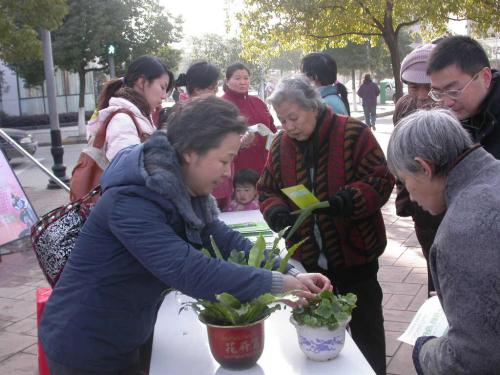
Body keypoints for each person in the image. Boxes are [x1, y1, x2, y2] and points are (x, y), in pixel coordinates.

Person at [39, 96, 331, 375]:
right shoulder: (130, 201)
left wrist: (288, 270)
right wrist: (279, 285)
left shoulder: (179, 186)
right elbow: (189, 270)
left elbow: (222, 238)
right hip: (85, 346)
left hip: (125, 332)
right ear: (190, 152)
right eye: (224, 160)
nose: (230, 172)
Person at [258, 75, 395, 375]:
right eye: (282, 119)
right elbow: (267, 189)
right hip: (309, 264)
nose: (288, 126)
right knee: (317, 333)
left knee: (366, 329)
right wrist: (276, 211)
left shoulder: (353, 132)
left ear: (314, 108)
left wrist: (349, 200)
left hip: (355, 256)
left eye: (293, 117)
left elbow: (381, 179)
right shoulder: (281, 143)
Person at [386, 108, 500, 374]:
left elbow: (472, 359)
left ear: (424, 167)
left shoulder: (462, 231)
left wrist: (424, 350)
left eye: (404, 181)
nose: (410, 196)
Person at [393, 43, 441, 296]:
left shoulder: (453, 107)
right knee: (432, 262)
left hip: (450, 202)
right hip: (420, 206)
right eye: (414, 87)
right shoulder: (403, 106)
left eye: (428, 87)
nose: (422, 95)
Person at [87, 55, 174, 161]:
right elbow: (128, 171)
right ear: (141, 82)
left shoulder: (139, 115)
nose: (164, 96)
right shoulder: (123, 121)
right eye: (162, 87)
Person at [427, 35, 500, 158]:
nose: (446, 103)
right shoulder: (445, 124)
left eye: (453, 91)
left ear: (485, 77)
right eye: (438, 93)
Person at [222, 62, 277, 175]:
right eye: (237, 78)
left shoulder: (258, 102)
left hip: (264, 164)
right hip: (236, 168)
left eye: (246, 78)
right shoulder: (221, 105)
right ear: (227, 81)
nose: (242, 82)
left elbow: (272, 129)